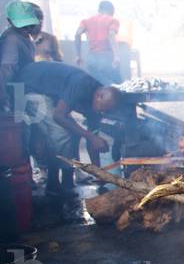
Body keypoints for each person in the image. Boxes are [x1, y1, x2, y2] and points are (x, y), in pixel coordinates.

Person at [13, 61, 119, 193]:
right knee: (59, 133)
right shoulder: (82, 84)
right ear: (99, 96)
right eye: (104, 110)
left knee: (74, 132)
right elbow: (58, 116)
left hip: (47, 91)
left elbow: (93, 140)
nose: (103, 114)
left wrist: (99, 173)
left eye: (107, 112)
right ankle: (53, 183)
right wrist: (90, 136)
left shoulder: (99, 105)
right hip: (26, 85)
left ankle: (67, 180)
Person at [1, 1, 40, 107]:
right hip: (15, 88)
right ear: (9, 21)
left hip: (22, 86)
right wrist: (3, 95)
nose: (27, 29)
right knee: (19, 119)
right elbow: (7, 68)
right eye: (23, 25)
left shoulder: (23, 36)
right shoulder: (11, 39)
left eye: (30, 25)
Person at [75, 1, 121, 84]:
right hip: (107, 57)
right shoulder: (113, 20)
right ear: (112, 11)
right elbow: (111, 34)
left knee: (95, 85)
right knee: (117, 85)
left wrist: (78, 55)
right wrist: (116, 56)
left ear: (99, 10)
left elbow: (77, 34)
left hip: (91, 57)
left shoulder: (86, 21)